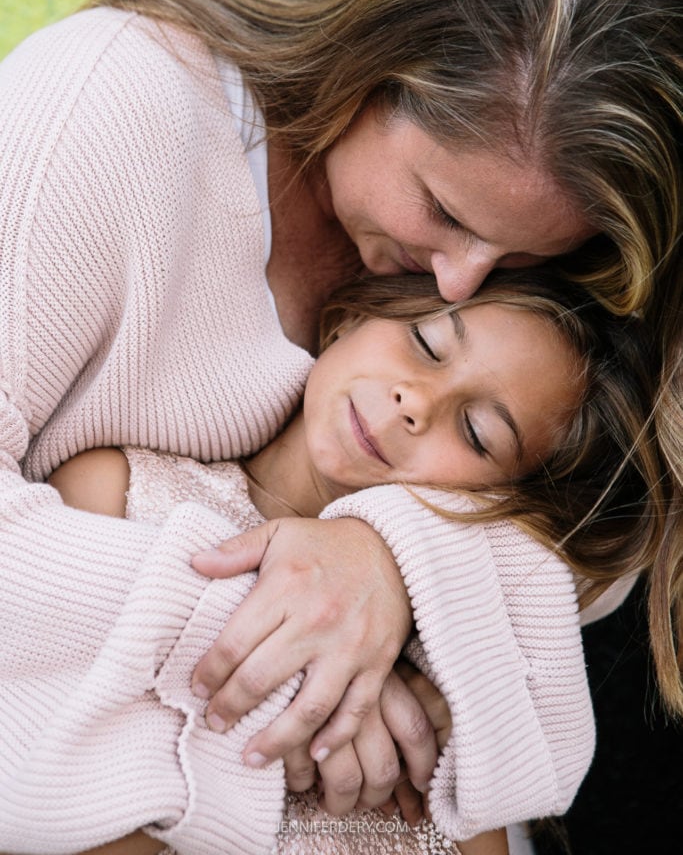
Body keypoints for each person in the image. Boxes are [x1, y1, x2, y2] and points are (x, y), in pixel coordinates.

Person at [0, 0, 680, 849]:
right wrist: (290, 648)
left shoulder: (532, 217)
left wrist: (398, 564)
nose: (459, 281)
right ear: (370, 63)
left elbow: (604, 525)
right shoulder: (107, 114)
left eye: (519, 257)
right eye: (441, 211)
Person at [44, 269, 656, 855]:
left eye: (476, 432)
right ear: (354, 316)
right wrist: (294, 712)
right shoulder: (118, 496)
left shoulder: (444, 686)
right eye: (426, 342)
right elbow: (39, 804)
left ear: (499, 506)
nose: (414, 399)